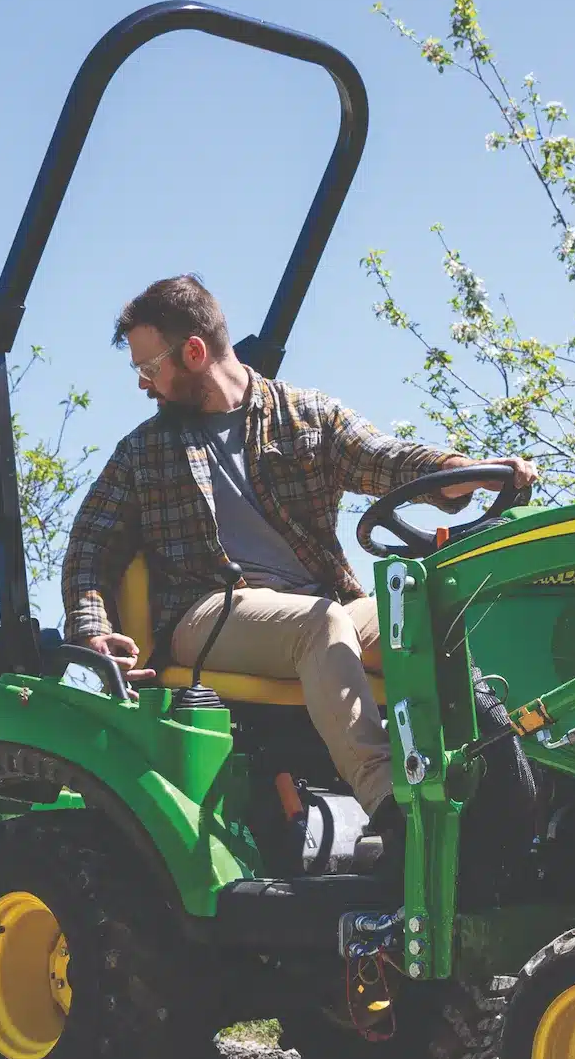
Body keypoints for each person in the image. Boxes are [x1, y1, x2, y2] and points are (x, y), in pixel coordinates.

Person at [62, 274, 533, 820]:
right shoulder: (143, 452)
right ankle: (393, 807)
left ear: (193, 352)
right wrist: (92, 631)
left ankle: (512, 790)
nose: (144, 385)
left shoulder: (305, 415)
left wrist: (464, 472)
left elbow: (384, 458)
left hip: (322, 601)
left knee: (426, 619)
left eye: (149, 368)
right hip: (209, 612)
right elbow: (90, 547)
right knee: (320, 624)